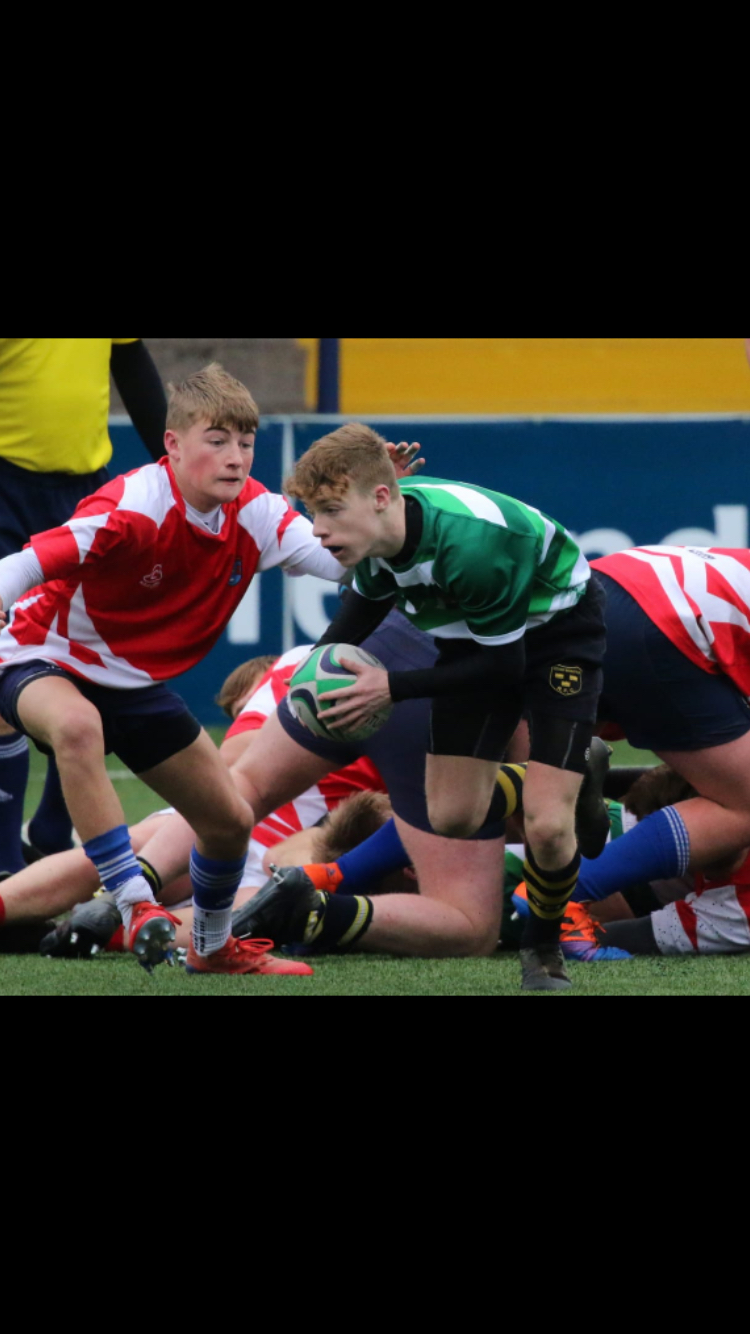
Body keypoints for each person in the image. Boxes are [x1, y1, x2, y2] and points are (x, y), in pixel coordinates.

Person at [0, 362, 358, 977]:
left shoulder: (258, 511)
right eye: (217, 441)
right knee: (78, 727)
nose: (235, 457)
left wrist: (377, 514)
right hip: (41, 654)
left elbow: (344, 565)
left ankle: (213, 948)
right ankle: (133, 904)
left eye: (245, 442)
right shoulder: (133, 505)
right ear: (172, 444)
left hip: (133, 682)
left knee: (229, 821)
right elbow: (25, 565)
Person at [234, 424, 607, 991]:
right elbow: (357, 618)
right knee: (452, 816)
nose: (318, 529)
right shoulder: (379, 535)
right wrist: (316, 675)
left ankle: (542, 947)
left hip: (558, 635)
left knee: (549, 826)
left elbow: (504, 669)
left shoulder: (473, 547)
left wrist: (389, 687)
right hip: (474, 638)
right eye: (313, 513)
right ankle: (569, 776)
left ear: (382, 498)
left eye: (331, 511)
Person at [0, 337, 168, 876]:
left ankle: (52, 833)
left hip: (85, 491)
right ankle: (6, 866)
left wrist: (174, 463)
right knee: (3, 653)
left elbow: (132, 365)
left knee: (89, 658)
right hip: (5, 486)